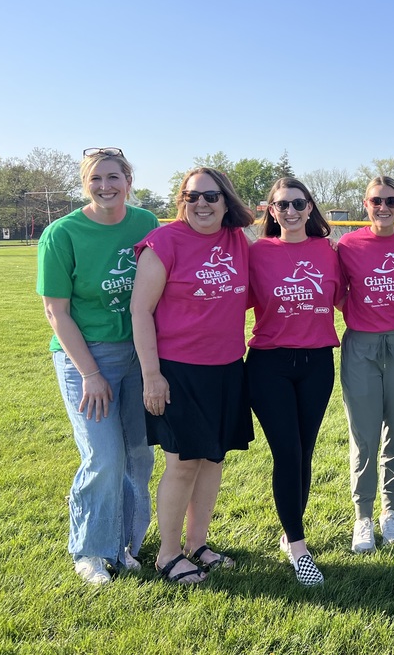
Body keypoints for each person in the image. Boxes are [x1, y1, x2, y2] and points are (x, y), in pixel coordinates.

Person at [37, 147, 159, 584]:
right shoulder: (62, 233)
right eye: (96, 179)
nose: (105, 186)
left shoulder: (146, 223)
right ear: (85, 184)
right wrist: (90, 373)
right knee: (104, 456)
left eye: (113, 177)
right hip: (85, 356)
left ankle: (124, 546)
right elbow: (56, 311)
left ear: (128, 180)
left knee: (138, 456)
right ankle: (89, 550)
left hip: (138, 353)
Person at [131, 167, 254, 585]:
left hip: (227, 367)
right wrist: (152, 375)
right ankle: (167, 554)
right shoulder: (163, 241)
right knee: (184, 463)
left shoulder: (237, 240)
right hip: (178, 370)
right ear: (182, 201)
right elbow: (140, 311)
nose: (201, 203)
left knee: (213, 458)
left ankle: (197, 543)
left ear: (226, 201)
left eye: (211, 196)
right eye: (191, 196)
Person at [246, 177, 343, 585]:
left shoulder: (329, 251)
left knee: (304, 451)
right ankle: (300, 549)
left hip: (317, 363)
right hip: (269, 364)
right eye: (282, 204)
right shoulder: (256, 253)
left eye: (298, 204)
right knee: (287, 452)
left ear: (309, 208)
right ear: (271, 210)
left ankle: (290, 535)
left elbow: (350, 297)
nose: (290, 211)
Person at [336, 176, 394, 553]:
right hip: (362, 345)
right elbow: (337, 291)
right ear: (365, 204)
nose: (383, 207)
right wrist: (364, 313)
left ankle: (391, 509)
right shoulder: (348, 244)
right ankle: (363, 515)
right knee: (364, 432)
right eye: (376, 201)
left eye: (390, 201)